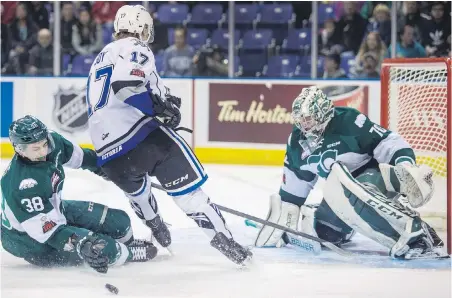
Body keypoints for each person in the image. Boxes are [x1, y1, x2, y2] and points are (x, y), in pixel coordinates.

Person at [85, 5, 251, 265]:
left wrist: (162, 100)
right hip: (141, 138)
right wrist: (159, 109)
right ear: (139, 26)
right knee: (189, 195)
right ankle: (228, 243)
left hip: (107, 153)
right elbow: (125, 85)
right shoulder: (135, 47)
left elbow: (118, 89)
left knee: (138, 192)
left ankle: (158, 228)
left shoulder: (101, 57)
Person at [254, 86, 448, 260]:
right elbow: (292, 192)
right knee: (325, 231)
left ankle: (416, 235)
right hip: (338, 191)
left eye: (308, 119)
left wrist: (404, 164)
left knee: (354, 196)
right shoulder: (296, 141)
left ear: (322, 114)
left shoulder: (348, 121)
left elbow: (388, 142)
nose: (304, 125)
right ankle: (348, 224)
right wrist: (284, 223)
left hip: (373, 178)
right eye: (300, 120)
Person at [1, 115, 158, 273]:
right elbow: (50, 232)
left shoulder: (53, 143)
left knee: (119, 221)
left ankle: (127, 245)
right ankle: (128, 253)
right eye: (35, 148)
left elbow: (82, 158)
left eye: (44, 144)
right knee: (101, 248)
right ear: (19, 148)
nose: (43, 151)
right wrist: (81, 243)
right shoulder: (23, 186)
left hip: (52, 209)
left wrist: (108, 169)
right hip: (28, 239)